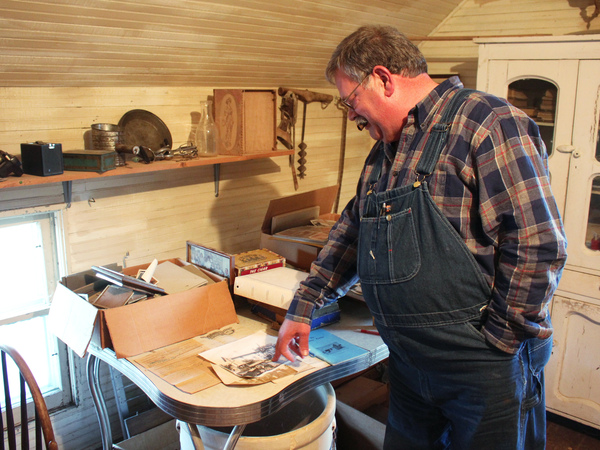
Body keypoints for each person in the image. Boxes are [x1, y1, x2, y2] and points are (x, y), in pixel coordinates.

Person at [273, 25, 567, 449]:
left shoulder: (489, 123)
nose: (351, 114)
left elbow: (538, 241)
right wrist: (304, 307)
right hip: (410, 365)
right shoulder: (386, 151)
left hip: (483, 368)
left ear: (383, 79)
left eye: (350, 100)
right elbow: (353, 233)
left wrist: (501, 340)